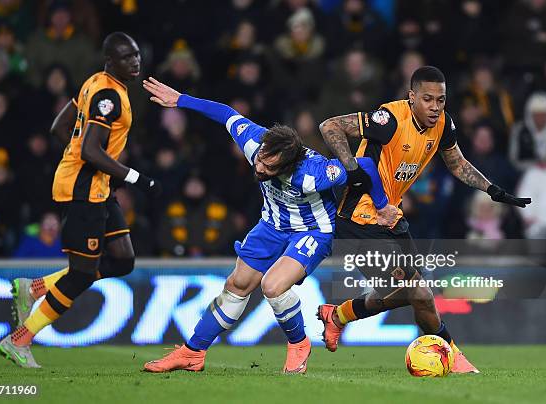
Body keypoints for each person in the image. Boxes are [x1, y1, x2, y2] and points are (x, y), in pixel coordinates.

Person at [140, 76, 391, 374]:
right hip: (270, 225)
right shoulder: (255, 142)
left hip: (312, 230)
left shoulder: (314, 174)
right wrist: (181, 99)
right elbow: (225, 114)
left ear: (286, 167)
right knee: (237, 285)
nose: (259, 167)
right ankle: (193, 353)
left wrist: (382, 204)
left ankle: (299, 344)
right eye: (260, 160)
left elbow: (364, 166)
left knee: (272, 286)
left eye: (268, 167)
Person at [316, 66, 531, 374]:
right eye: (428, 99)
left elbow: (457, 163)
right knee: (416, 292)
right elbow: (329, 127)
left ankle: (338, 316)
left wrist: (493, 189)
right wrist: (351, 167)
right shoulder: (388, 119)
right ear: (412, 97)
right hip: (358, 218)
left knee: (418, 295)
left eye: (440, 100)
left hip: (391, 217)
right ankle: (452, 355)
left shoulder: (442, 125)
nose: (434, 107)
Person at [0, 32, 161, 368]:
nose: (136, 62)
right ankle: (20, 339)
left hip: (96, 186)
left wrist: (85, 163)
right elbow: (90, 150)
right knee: (82, 274)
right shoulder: (108, 96)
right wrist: (134, 177)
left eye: (136, 55)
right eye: (127, 57)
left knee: (122, 260)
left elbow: (61, 126)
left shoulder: (95, 84)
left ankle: (35, 288)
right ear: (110, 61)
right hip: (83, 191)